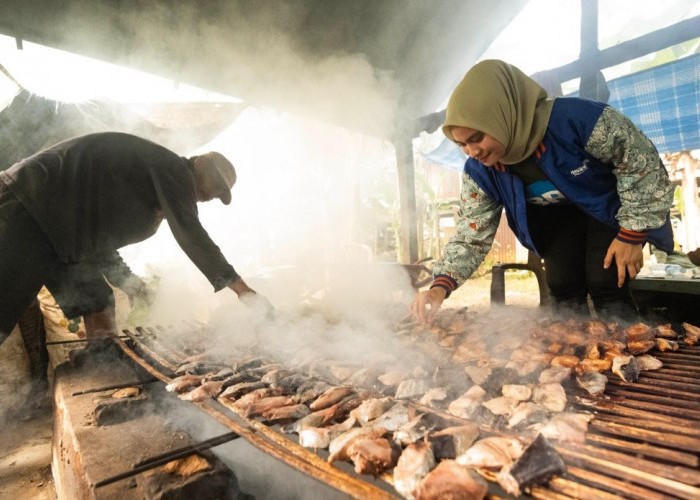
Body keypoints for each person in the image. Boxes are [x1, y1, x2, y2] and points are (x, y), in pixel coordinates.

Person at [412, 60, 674, 324]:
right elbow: (472, 233)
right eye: (462, 144)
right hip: (555, 218)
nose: (472, 152)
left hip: (608, 209)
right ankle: (576, 351)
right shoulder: (480, 170)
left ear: (502, 115)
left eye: (477, 138)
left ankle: (627, 350)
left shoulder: (581, 120)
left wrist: (632, 234)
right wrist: (439, 287)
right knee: (562, 285)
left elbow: (643, 166)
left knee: (605, 280)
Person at [0, 131, 273, 364]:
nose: (214, 195)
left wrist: (130, 283)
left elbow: (99, 243)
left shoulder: (155, 192)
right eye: (217, 184)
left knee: (97, 298)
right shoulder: (174, 168)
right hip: (27, 208)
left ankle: (100, 357)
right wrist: (242, 290)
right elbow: (190, 232)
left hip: (61, 234)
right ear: (199, 162)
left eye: (221, 193)